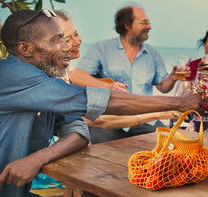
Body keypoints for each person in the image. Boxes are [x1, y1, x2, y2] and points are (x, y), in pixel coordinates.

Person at [0, 9, 201, 197]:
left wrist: (38, 157)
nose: (67, 47)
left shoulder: (45, 85)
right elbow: (100, 101)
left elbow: (78, 130)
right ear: (25, 48)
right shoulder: (9, 74)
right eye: (57, 40)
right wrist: (178, 103)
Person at [69, 4, 183, 139]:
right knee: (100, 156)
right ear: (127, 25)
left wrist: (172, 77)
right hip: (109, 120)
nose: (149, 27)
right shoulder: (102, 48)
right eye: (144, 22)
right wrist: (108, 87)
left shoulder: (153, 53)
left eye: (149, 23)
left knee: (171, 144)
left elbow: (163, 87)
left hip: (146, 119)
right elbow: (77, 75)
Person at [171, 28, 208, 134]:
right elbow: (181, 94)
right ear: (204, 44)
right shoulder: (192, 65)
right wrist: (196, 75)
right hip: (192, 118)